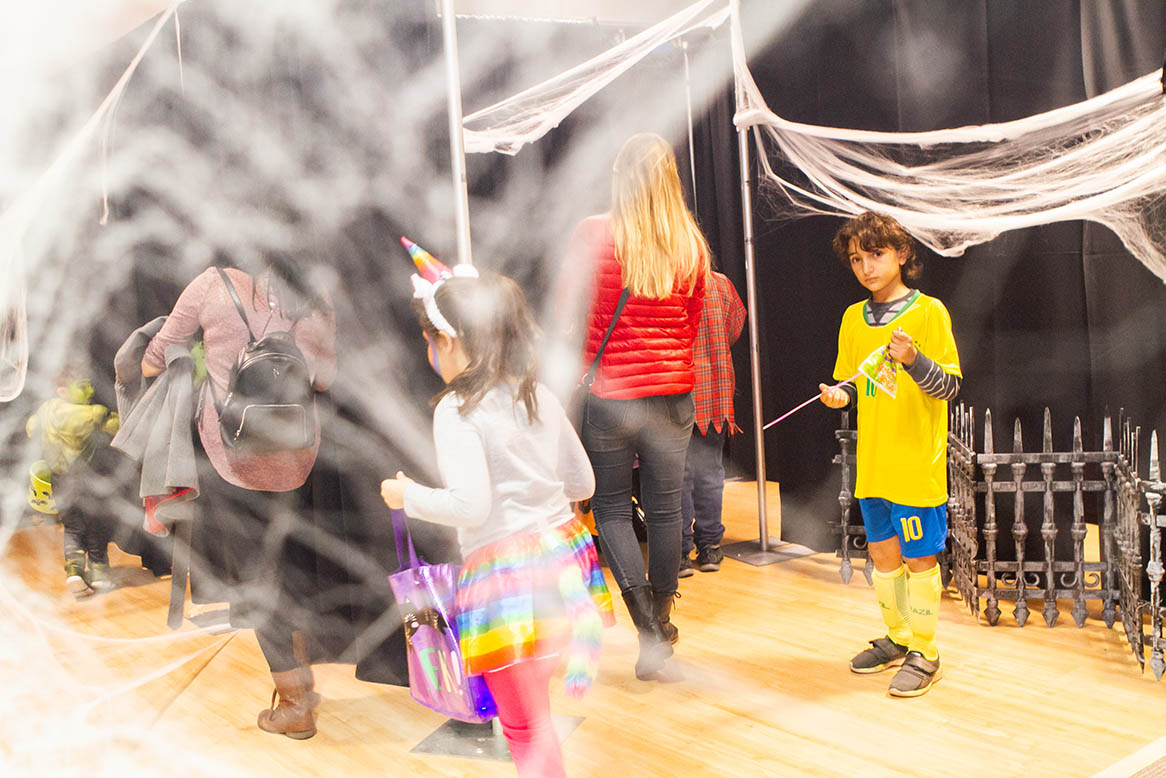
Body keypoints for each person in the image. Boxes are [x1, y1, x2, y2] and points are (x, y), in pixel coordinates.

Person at [380, 266, 613, 778]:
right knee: (536, 715)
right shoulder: (535, 393)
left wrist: (405, 496)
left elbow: (471, 508)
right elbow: (583, 483)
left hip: (509, 585)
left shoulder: (458, 409)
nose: (430, 353)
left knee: (525, 727)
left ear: (450, 340)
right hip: (564, 564)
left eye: (430, 341)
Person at [141, 252, 336, 737]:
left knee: (258, 582)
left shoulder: (212, 285)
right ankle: (303, 682)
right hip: (297, 457)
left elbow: (151, 362)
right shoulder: (316, 292)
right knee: (289, 574)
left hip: (234, 460)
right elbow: (325, 380)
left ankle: (294, 706)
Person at [566, 132, 708, 681]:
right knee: (667, 511)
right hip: (672, 396)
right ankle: (660, 623)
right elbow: (692, 323)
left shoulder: (593, 234)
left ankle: (647, 626)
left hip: (611, 396)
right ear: (671, 179)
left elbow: (576, 308)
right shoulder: (689, 243)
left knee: (611, 511)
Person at [818, 211, 961, 697]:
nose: (866, 267)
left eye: (875, 254)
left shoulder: (929, 312)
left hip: (916, 463)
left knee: (919, 558)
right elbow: (853, 384)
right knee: (882, 554)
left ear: (901, 254)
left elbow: (949, 387)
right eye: (856, 259)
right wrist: (840, 396)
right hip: (874, 462)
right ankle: (899, 638)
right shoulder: (851, 318)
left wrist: (913, 359)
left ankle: (926, 650)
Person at [26, 366, 120, 595]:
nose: (90, 390)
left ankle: (74, 572)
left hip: (59, 480)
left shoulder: (46, 410)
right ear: (62, 390)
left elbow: (31, 429)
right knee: (96, 524)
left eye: (89, 385)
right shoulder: (95, 413)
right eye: (82, 386)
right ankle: (99, 571)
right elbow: (119, 428)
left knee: (72, 526)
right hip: (90, 481)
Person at [679, 269, 745, 578]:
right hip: (715, 393)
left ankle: (679, 551)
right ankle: (709, 547)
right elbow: (736, 326)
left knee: (676, 477)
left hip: (676, 392)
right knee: (709, 473)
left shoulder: (662, 281)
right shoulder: (720, 283)